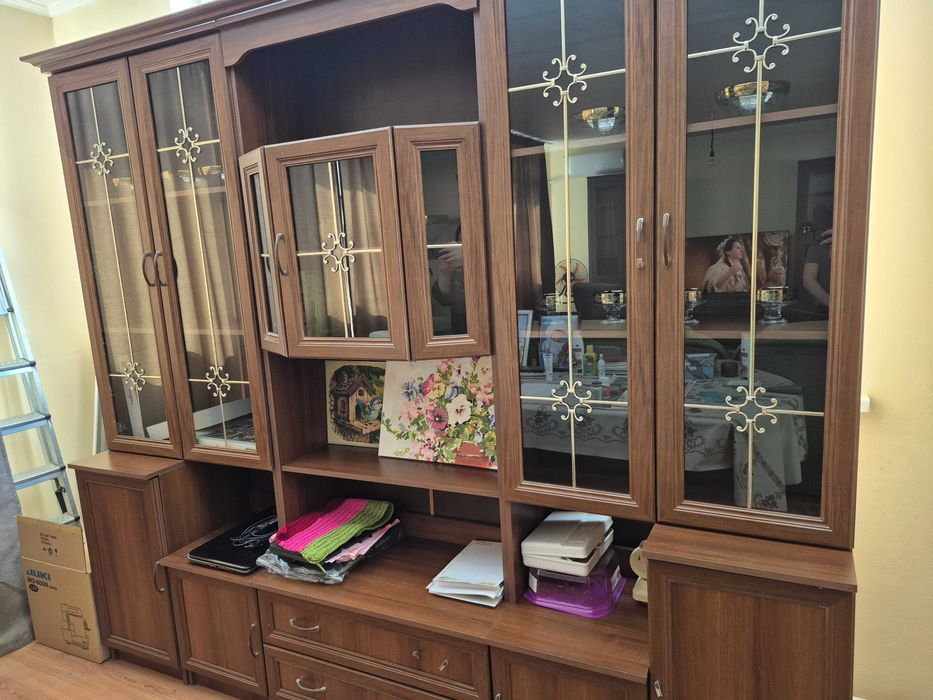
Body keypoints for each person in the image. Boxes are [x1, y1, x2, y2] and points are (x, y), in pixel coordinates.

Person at [431, 226, 467, 334]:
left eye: (467, 240)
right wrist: (445, 272)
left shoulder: (490, 263)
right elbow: (442, 298)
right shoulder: (457, 272)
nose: (461, 246)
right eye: (461, 241)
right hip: (461, 334)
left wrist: (468, 256)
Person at [802, 228, 833, 309]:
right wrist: (834, 305)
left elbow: (808, 280)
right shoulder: (819, 242)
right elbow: (808, 280)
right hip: (826, 307)